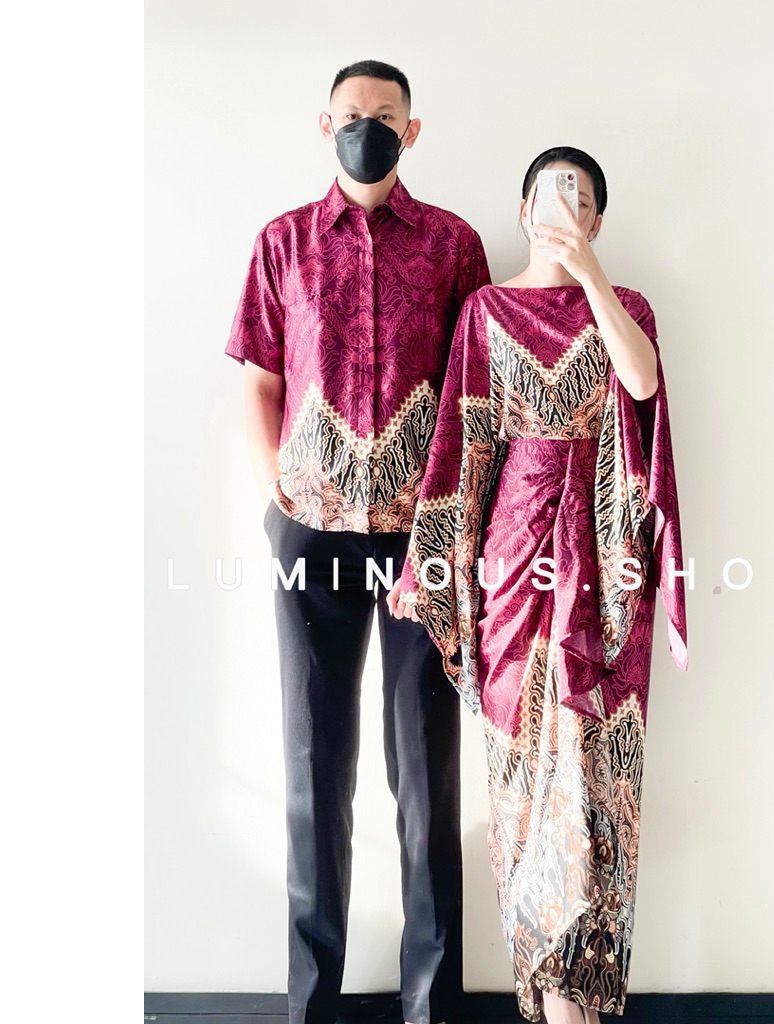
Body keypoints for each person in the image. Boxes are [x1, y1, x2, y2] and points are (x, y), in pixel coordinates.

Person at [387, 147, 688, 1023]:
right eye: (552, 194)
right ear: (523, 211)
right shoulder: (485, 312)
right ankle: (560, 1005)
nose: (564, 207)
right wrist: (429, 564)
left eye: (580, 197)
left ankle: (577, 1001)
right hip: (515, 561)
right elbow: (462, 446)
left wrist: (588, 273)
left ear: (595, 219)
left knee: (596, 782)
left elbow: (641, 382)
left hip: (605, 565)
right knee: (525, 789)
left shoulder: (627, 307)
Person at [224, 59, 491, 1024]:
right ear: (324, 123)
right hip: (311, 531)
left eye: (383, 116)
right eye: (349, 115)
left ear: (410, 131)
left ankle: (433, 1007)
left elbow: (474, 393)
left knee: (425, 774)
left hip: (425, 540)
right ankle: (312, 1006)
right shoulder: (283, 243)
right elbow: (259, 380)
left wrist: (458, 520)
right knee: (312, 766)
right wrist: (275, 490)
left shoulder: (455, 246)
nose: (364, 128)